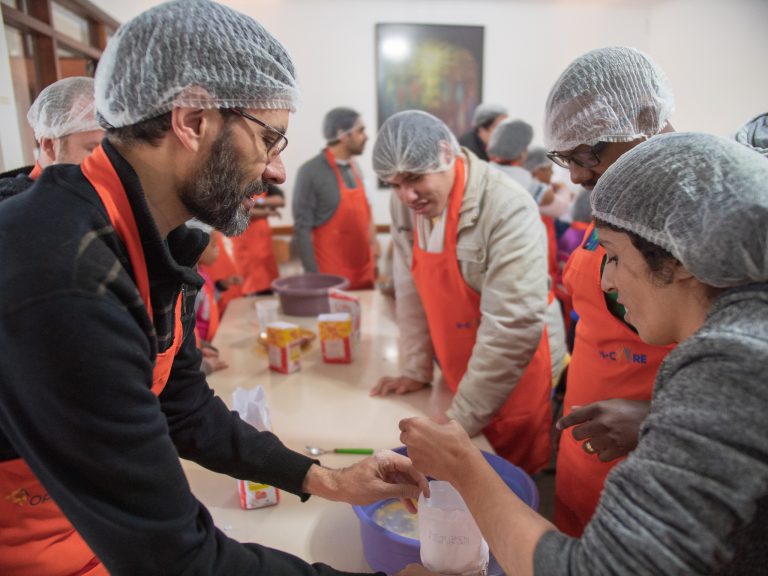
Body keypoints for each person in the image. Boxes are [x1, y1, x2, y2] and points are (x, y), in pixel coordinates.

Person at [0, 2, 426, 575]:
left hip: (95, 535)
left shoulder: (156, 235)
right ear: (193, 120)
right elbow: (177, 560)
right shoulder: (66, 276)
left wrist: (322, 477)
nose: (277, 170)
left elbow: (182, 406)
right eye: (269, 138)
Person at [398, 132, 768, 576]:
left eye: (611, 256)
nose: (607, 283)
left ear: (683, 258)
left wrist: (462, 465)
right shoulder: (737, 342)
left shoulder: (734, 366)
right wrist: (658, 421)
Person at [370, 110, 552, 475]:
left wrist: (460, 420)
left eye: (414, 178)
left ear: (446, 153)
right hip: (455, 379)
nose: (406, 195)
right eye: (393, 184)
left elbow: (512, 327)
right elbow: (410, 291)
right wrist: (416, 369)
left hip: (508, 383)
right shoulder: (406, 206)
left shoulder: (505, 207)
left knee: (502, 494)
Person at [543, 46, 677, 536]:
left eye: (586, 154)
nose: (575, 175)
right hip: (585, 457)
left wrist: (655, 419)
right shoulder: (611, 203)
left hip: (654, 479)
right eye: (566, 157)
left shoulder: (702, 220)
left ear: (644, 118)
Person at [486, 119, 567, 388]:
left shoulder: (485, 174)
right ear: (522, 154)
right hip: (529, 289)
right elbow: (555, 206)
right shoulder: (523, 180)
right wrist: (563, 191)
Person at [292, 107, 377, 289]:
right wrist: (313, 277)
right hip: (330, 277)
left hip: (364, 273)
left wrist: (374, 245)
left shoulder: (356, 169)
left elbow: (367, 213)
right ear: (342, 135)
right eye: (360, 131)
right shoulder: (310, 172)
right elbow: (302, 229)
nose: (366, 136)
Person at [0, 76, 103, 201]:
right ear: (50, 145)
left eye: (108, 150)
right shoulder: (19, 214)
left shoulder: (86, 195)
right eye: (93, 150)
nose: (106, 162)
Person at [231, 181, 285, 295]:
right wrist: (266, 211)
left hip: (264, 245)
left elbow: (280, 200)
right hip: (245, 244)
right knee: (250, 288)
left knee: (269, 286)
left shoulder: (262, 181)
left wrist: (258, 202)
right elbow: (239, 210)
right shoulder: (233, 182)